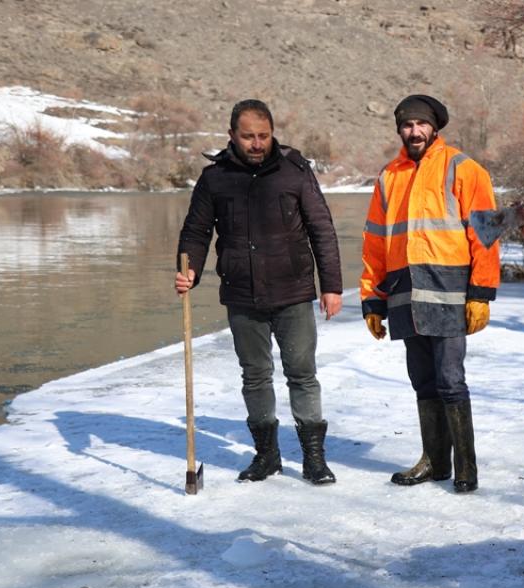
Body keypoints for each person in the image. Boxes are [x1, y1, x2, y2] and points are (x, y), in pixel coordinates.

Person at [175, 99, 344, 485]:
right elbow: (196, 233)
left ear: (272, 134)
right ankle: (267, 456)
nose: (256, 143)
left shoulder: (294, 171)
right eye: (248, 136)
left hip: (293, 290)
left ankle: (314, 459)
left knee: (302, 374)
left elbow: (322, 229)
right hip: (241, 293)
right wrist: (188, 272)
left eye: (263, 136)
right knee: (255, 376)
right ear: (232, 135)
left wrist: (331, 286)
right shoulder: (214, 178)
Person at [360, 94, 500, 494]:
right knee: (422, 381)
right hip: (405, 295)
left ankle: (465, 468)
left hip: (451, 292)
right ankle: (435, 462)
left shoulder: (463, 168)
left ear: (434, 127)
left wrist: (481, 293)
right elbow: (374, 242)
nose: (414, 131)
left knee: (450, 380)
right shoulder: (389, 176)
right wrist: (372, 298)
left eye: (421, 124)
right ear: (399, 129)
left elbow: (486, 236)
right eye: (407, 125)